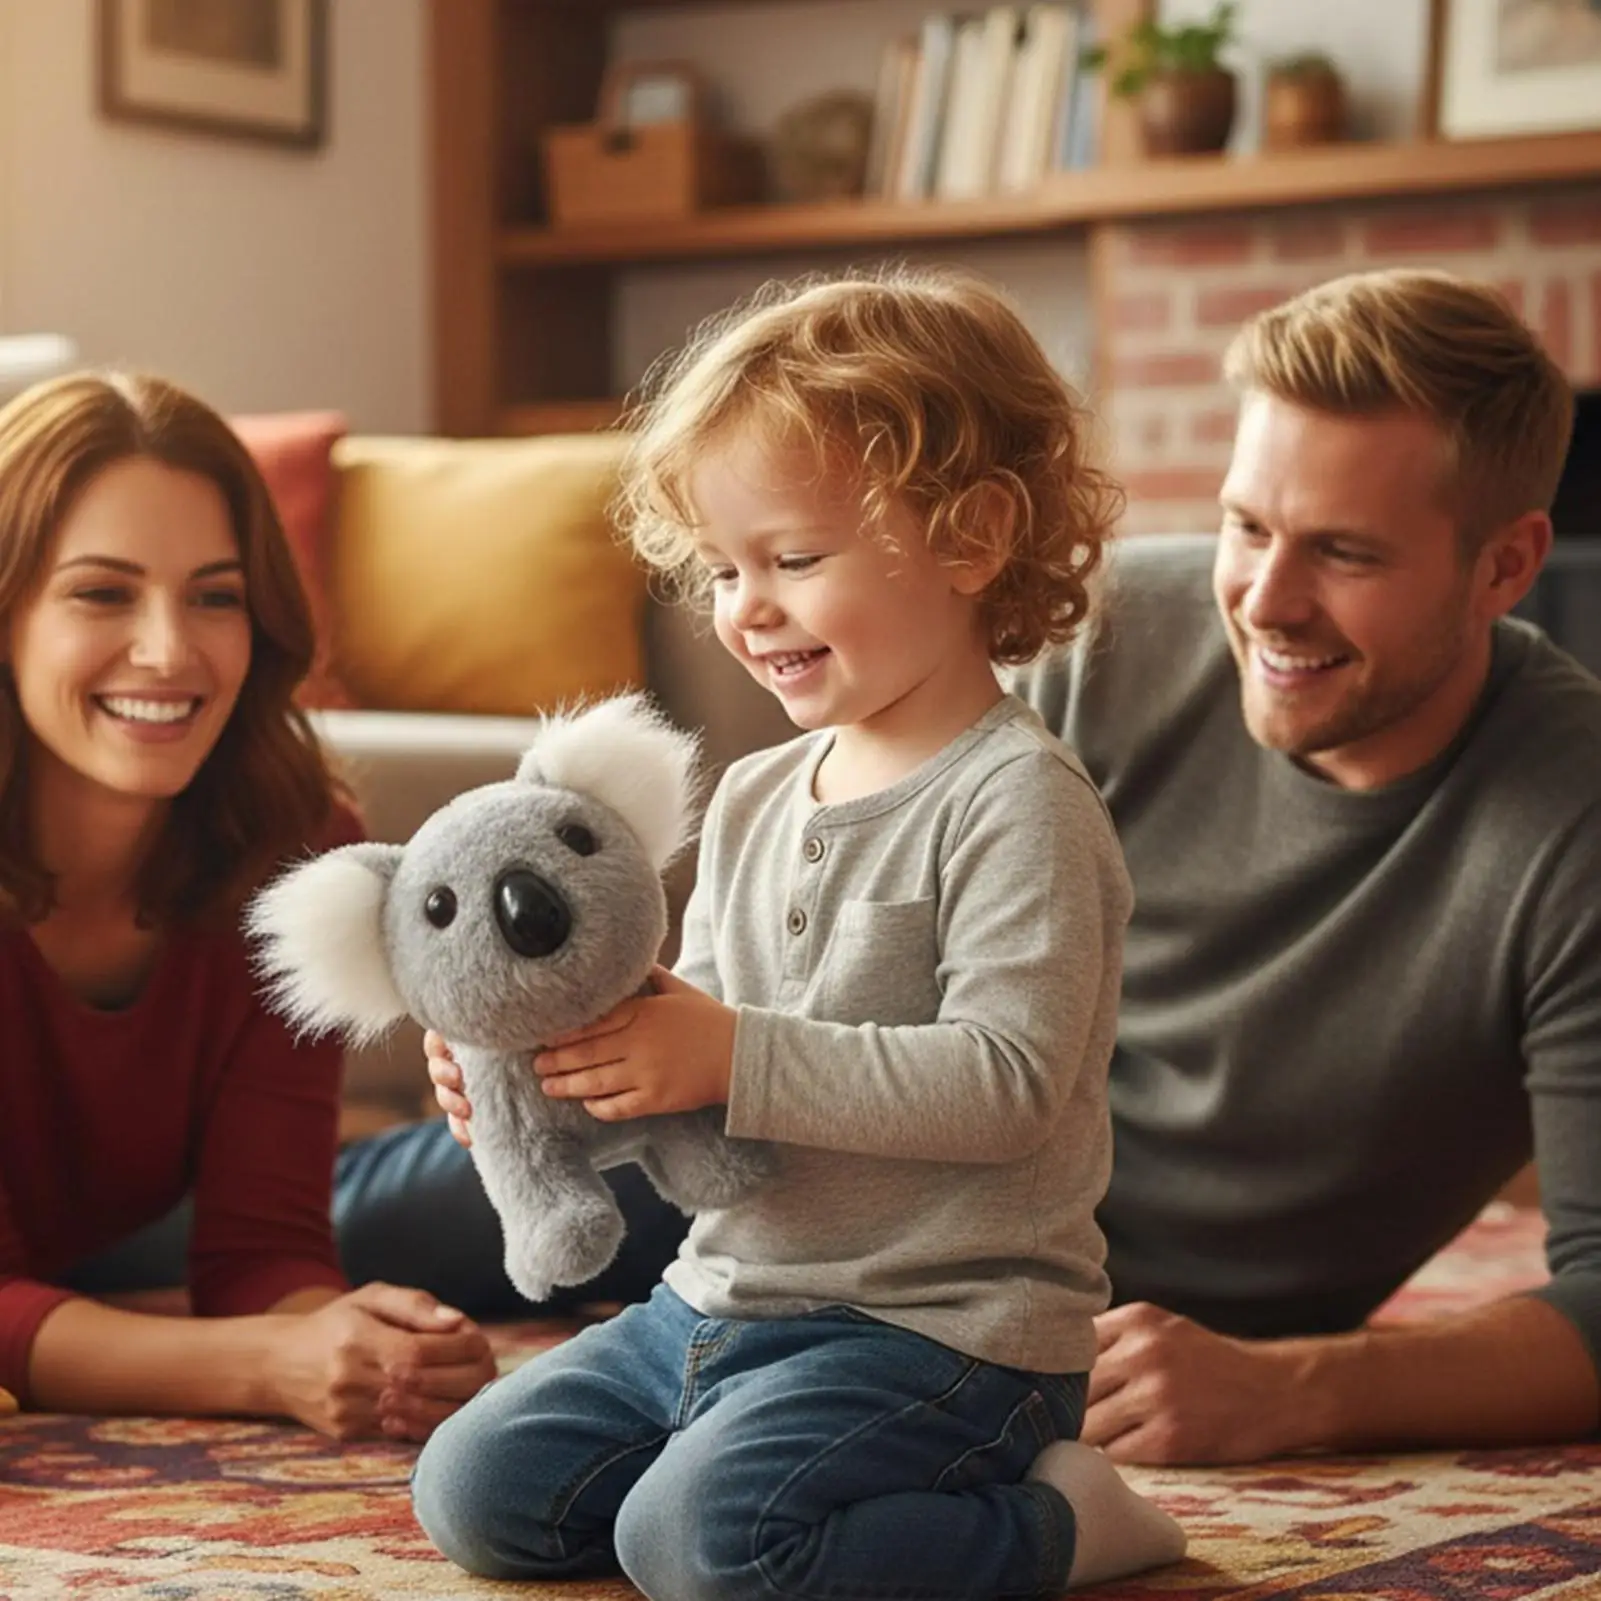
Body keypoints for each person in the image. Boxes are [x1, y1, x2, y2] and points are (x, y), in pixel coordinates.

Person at [411, 269, 1189, 1599]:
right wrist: (553, 1088)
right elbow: (705, 1103)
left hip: (945, 1334)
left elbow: (1006, 1084)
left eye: (793, 559)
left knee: (703, 1548)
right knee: (474, 1494)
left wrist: (724, 1051)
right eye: (722, 568)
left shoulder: (1021, 803)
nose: (745, 607)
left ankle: (1065, 1527)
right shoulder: (762, 789)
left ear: (970, 536)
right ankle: (781, 1473)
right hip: (717, 1301)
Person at [1008, 267, 1601, 1465]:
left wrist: (1294, 1390)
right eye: (1245, 525)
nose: (1264, 602)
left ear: (1504, 564)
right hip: (879, 1237)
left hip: (1107, 1346)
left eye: (1342, 552)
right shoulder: (1097, 642)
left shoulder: (1572, 823)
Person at [0, 371, 496, 1440]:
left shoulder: (300, 847)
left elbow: (259, 1245)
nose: (171, 651)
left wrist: (354, 1340)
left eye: (215, 595)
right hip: (81, 1256)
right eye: (102, 591)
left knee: (596, 1160)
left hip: (131, 1234)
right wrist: (265, 1364)